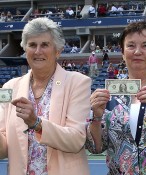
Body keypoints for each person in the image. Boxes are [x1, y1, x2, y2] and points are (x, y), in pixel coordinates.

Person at [0, 17, 91, 175]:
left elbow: (76, 140)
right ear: (25, 49)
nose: (37, 51)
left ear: (58, 50)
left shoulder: (78, 83)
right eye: (32, 45)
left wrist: (36, 123)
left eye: (45, 45)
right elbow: (3, 150)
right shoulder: (9, 87)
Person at [86, 21, 146, 174]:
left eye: (145, 45)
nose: (137, 52)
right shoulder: (110, 95)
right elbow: (96, 147)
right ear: (122, 52)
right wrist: (97, 117)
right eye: (131, 46)